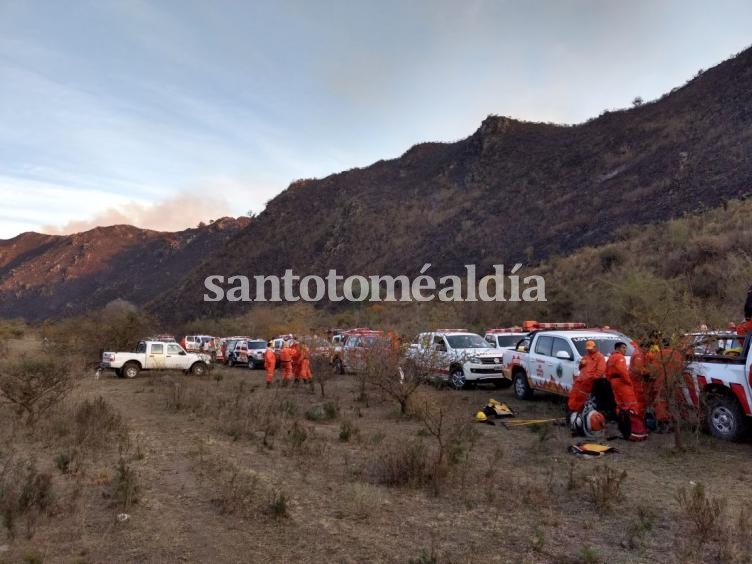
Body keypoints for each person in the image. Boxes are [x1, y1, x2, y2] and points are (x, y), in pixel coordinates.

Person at [567, 340, 606, 413]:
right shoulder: (586, 356)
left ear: (595, 347)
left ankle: (578, 411)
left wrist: (592, 379)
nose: (589, 350)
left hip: (589, 381)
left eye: (591, 349)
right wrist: (581, 364)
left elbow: (601, 370)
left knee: (581, 397)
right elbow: (580, 368)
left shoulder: (600, 357)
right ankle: (571, 410)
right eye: (588, 349)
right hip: (580, 380)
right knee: (573, 395)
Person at [606, 341, 638, 413]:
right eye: (623, 348)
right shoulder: (620, 357)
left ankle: (622, 420)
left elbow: (606, 371)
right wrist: (628, 381)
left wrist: (611, 381)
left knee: (620, 403)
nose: (625, 350)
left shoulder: (610, 358)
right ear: (618, 348)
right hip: (622, 382)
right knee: (630, 403)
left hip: (614, 382)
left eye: (625, 348)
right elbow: (622, 371)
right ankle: (633, 421)